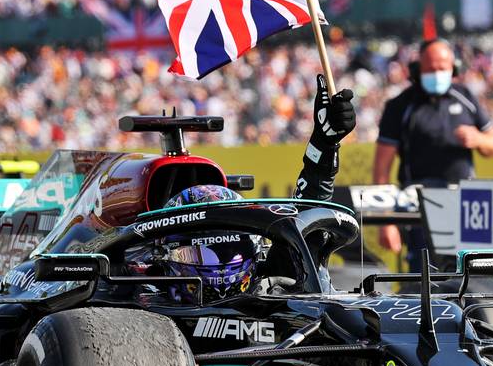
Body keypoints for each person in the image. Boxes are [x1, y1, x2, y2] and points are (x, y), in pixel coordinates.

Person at [133, 74, 356, 299]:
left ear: (254, 249)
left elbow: (307, 218)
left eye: (231, 251)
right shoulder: (142, 295)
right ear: (166, 255)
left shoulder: (271, 282)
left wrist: (324, 144)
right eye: (201, 255)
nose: (221, 267)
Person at [373, 38, 493, 258]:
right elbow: (381, 169)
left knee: (470, 269)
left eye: (442, 68)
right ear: (417, 69)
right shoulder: (399, 106)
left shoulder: (465, 96)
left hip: (466, 202)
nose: (437, 74)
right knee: (425, 272)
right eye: (431, 69)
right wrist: (386, 220)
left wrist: (478, 139)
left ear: (454, 68)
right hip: (419, 205)